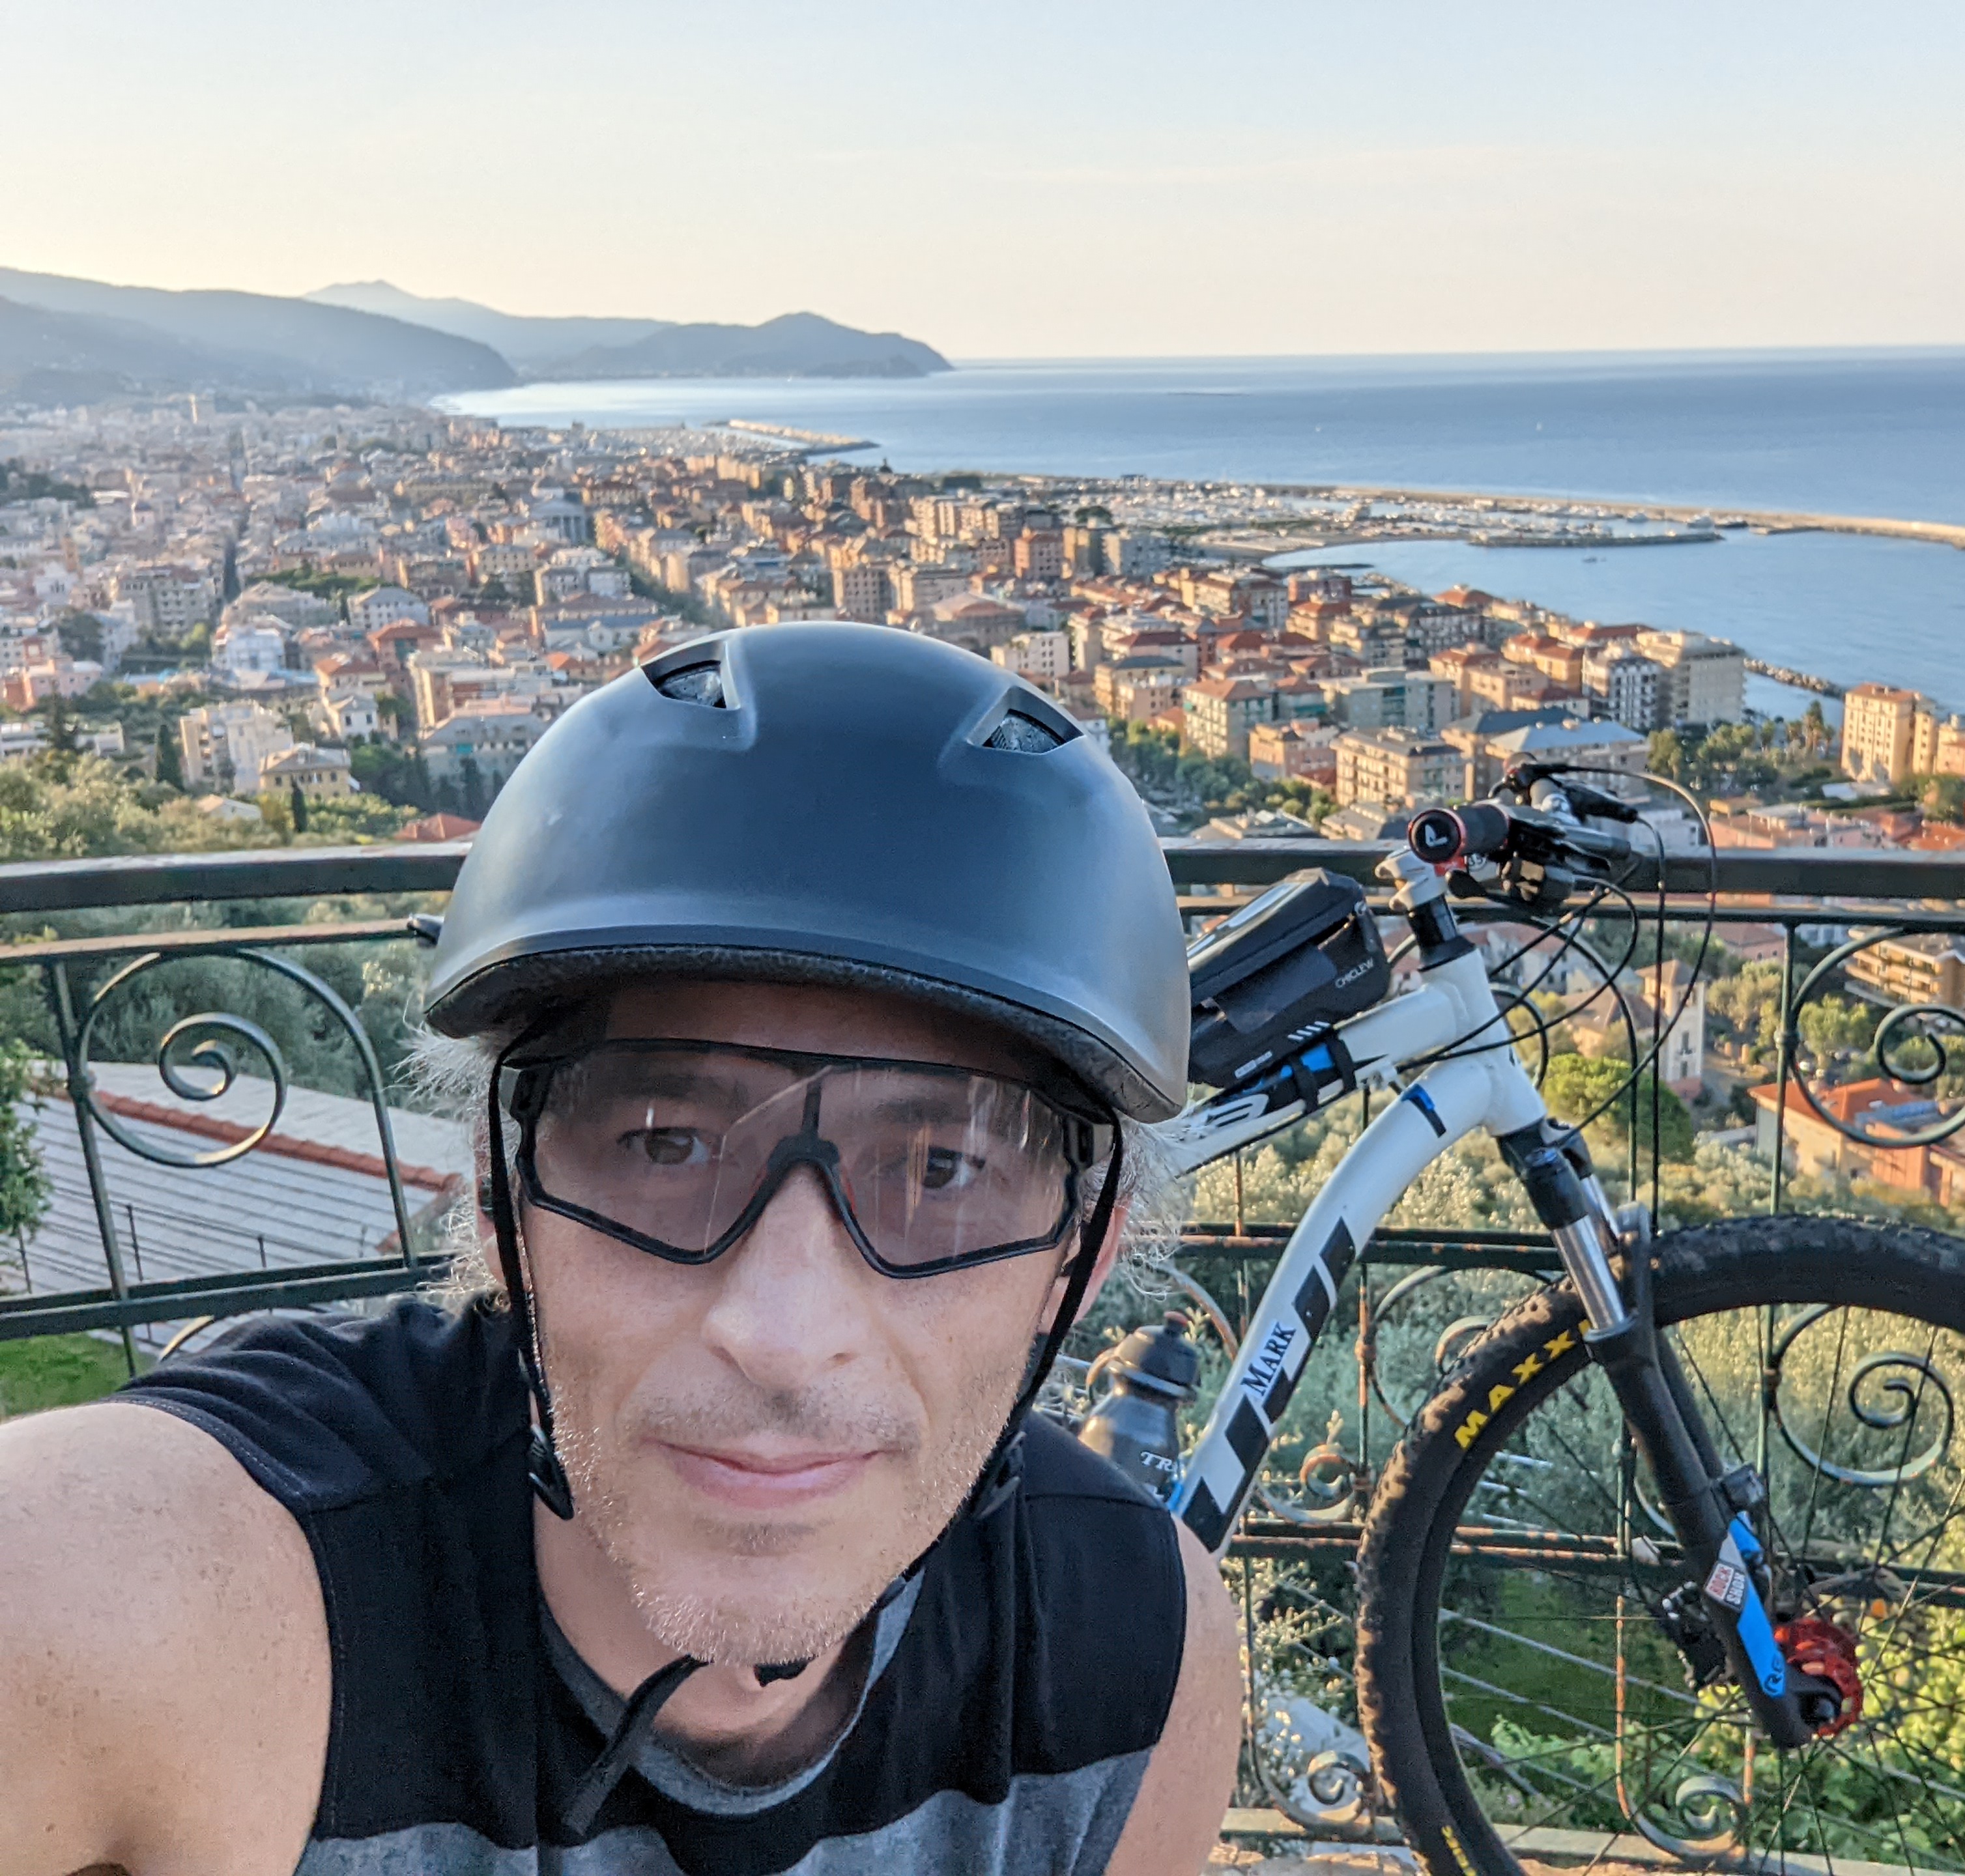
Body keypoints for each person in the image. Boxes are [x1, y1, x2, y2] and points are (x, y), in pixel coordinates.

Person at [0, 625, 1242, 1876]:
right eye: (663, 1144)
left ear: (1076, 1261)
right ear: (501, 1202)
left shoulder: (1135, 1660)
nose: (781, 1330)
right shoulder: (224, 1599)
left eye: (940, 1170)